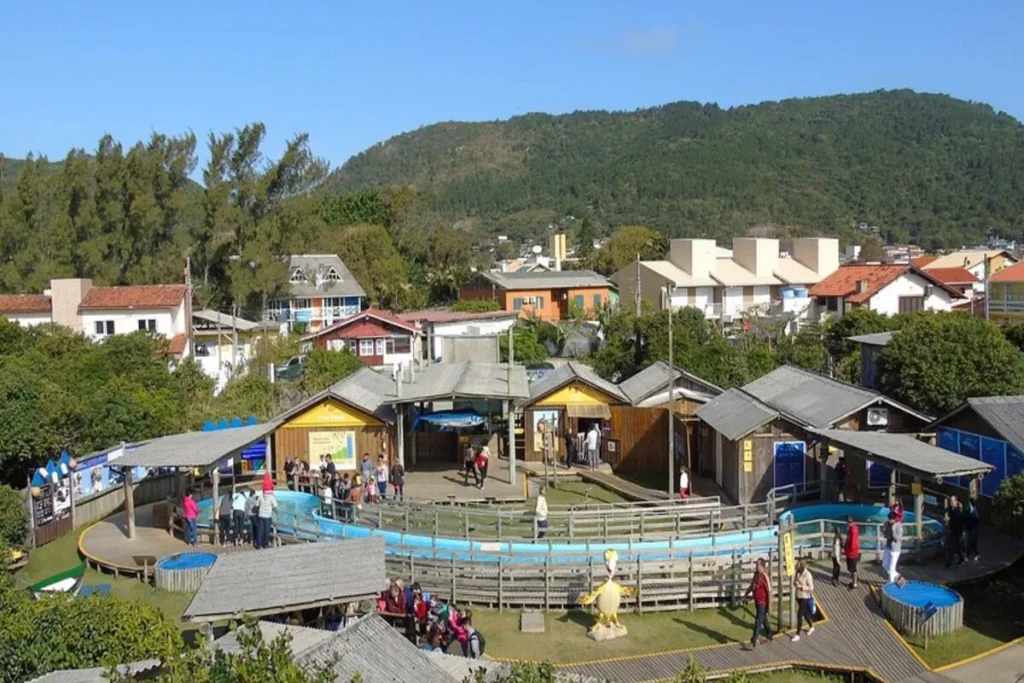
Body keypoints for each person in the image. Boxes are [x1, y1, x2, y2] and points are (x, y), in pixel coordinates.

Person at [743, 558, 773, 648]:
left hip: (763, 602)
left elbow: (770, 591)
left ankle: (754, 639)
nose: (756, 566)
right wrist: (746, 594)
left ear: (762, 566)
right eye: (756, 564)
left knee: (758, 620)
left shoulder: (765, 576)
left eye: (758, 565)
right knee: (763, 619)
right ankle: (770, 634)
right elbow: (752, 585)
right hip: (757, 601)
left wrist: (770, 605)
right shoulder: (756, 574)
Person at [791, 559, 816, 641]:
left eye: (797, 564)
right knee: (805, 613)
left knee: (799, 614)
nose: (796, 566)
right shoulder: (798, 573)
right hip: (799, 596)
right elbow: (795, 582)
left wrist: (802, 587)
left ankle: (797, 634)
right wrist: (795, 584)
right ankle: (811, 626)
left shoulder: (808, 575)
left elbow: (811, 587)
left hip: (805, 596)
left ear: (801, 565)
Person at [883, 511, 903, 584]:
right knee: (885, 565)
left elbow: (898, 538)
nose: (890, 520)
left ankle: (890, 583)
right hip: (888, 547)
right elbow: (885, 535)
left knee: (892, 567)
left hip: (895, 549)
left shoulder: (898, 526)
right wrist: (885, 529)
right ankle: (897, 575)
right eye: (889, 519)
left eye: (892, 519)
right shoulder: (887, 524)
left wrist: (893, 530)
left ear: (895, 519)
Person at [945, 496, 966, 568]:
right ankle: (962, 559)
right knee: (957, 547)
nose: (951, 502)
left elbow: (957, 521)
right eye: (950, 501)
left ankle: (948, 564)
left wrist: (949, 520)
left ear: (956, 501)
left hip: (958, 532)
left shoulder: (958, 511)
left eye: (952, 501)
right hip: (953, 531)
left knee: (952, 548)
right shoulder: (951, 509)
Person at [257, 482, 278, 549]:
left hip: (261, 515)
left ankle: (259, 545)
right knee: (267, 530)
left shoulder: (260, 496)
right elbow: (275, 505)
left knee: (260, 530)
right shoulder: (271, 497)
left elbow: (256, 504)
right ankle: (265, 544)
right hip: (268, 515)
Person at [844, 516, 860, 589]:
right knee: (851, 568)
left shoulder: (852, 530)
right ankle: (853, 582)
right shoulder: (854, 528)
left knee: (853, 569)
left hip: (852, 552)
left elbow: (852, 542)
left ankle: (855, 584)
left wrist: (848, 549)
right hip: (852, 552)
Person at [965, 495, 980, 561]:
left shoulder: (974, 510)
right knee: (970, 543)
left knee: (971, 543)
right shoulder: (969, 509)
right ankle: (972, 555)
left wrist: (974, 526)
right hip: (970, 529)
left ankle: (973, 555)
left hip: (973, 529)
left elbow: (977, 520)